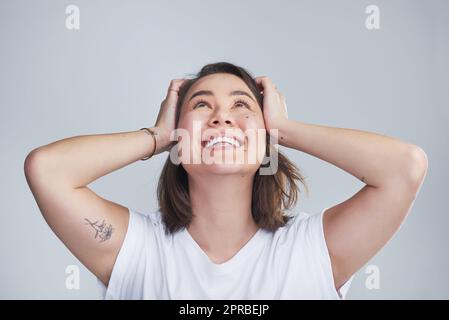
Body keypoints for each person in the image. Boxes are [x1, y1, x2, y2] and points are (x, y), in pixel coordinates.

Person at [24, 62, 428, 299]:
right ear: (178, 139)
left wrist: (283, 128)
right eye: (201, 105)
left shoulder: (312, 249)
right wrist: (158, 136)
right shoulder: (137, 249)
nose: (221, 116)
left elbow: (404, 167)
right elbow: (47, 169)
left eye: (241, 104)